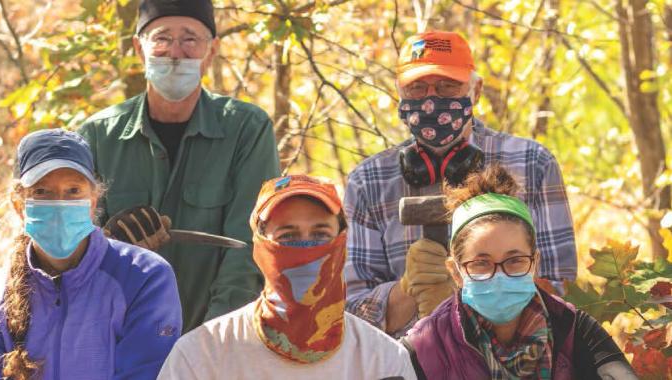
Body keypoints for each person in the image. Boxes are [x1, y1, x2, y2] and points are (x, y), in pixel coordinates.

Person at [344, 30, 577, 335]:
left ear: (475, 90)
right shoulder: (368, 181)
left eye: (447, 86)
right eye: (417, 88)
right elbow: (352, 315)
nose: (431, 100)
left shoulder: (532, 163)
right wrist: (408, 288)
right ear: (399, 93)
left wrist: (479, 289)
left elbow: (561, 290)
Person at [79, 0, 280, 332]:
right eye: (161, 38)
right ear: (139, 49)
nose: (175, 52)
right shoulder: (98, 136)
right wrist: (111, 244)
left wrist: (210, 342)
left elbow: (249, 249)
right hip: (119, 337)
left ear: (211, 51)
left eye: (190, 39)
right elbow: (79, 254)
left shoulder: (246, 129)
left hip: (216, 340)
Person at [158, 175, 417, 380]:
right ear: (259, 246)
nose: (306, 250)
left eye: (320, 234)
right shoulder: (201, 355)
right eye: (287, 236)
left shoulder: (382, 359)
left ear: (342, 241)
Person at [0, 129, 181, 380]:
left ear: (93, 201)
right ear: (19, 205)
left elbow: (145, 372)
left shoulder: (145, 277)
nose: (59, 203)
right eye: (42, 192)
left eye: (73, 191)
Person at [401, 165, 637, 379]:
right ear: (455, 272)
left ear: (534, 263)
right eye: (481, 264)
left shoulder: (573, 330)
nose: (499, 276)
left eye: (514, 260)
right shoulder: (425, 347)